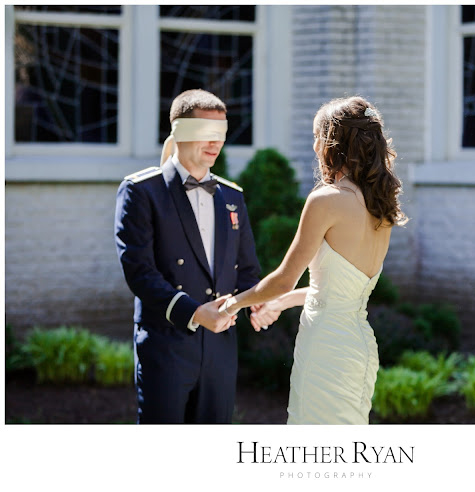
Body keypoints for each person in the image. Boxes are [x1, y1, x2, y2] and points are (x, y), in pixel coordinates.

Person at [218, 96, 408, 424]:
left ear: (333, 144)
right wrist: (279, 304)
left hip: (325, 349)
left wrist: (231, 304)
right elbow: (338, 293)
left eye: (317, 137)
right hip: (359, 346)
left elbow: (283, 278)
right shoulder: (382, 210)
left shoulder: (325, 201)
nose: (315, 146)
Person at [114, 89, 275, 424]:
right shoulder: (142, 191)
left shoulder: (232, 196)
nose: (215, 144)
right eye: (205, 133)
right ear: (179, 132)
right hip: (167, 344)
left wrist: (255, 302)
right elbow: (139, 272)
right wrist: (195, 312)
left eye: (221, 134)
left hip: (220, 349)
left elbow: (245, 269)